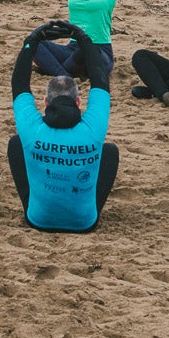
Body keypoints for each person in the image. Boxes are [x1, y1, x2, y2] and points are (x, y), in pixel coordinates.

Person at [9, 20, 117, 232]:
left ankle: (37, 206)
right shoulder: (92, 126)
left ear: (46, 102)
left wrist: (31, 43)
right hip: (84, 223)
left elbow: (19, 83)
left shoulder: (32, 127)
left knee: (16, 143)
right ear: (78, 102)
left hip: (38, 220)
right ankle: (84, 208)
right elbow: (100, 79)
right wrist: (84, 40)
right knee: (109, 151)